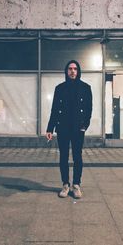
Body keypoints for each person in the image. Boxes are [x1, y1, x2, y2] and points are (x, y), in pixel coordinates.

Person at [46, 60, 92, 199]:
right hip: (63, 127)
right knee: (63, 157)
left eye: (75, 69)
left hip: (78, 128)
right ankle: (65, 185)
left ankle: (76, 185)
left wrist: (85, 125)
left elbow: (89, 109)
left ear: (78, 71)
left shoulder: (85, 87)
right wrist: (50, 128)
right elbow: (54, 109)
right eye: (70, 69)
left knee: (77, 157)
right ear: (66, 71)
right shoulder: (59, 88)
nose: (72, 71)